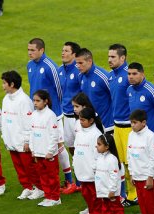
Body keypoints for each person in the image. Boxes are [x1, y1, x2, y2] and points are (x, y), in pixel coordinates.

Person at [27, 38, 73, 192]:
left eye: (33, 50)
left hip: (54, 114)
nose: (30, 53)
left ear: (41, 50)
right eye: (28, 50)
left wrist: (55, 109)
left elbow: (59, 89)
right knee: (42, 145)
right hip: (38, 113)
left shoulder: (50, 66)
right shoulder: (29, 66)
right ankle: (48, 179)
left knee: (58, 146)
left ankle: (69, 180)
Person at [0, 70, 41, 200]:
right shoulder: (6, 99)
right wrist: (5, 137)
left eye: (4, 83)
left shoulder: (24, 101)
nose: (2, 85)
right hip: (11, 140)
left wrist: (27, 140)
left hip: (23, 142)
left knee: (29, 167)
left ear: (11, 84)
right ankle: (27, 187)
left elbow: (29, 123)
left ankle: (39, 188)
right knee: (19, 167)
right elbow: (4, 120)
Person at [107, 43, 136, 207]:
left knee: (131, 162)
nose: (109, 59)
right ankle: (131, 194)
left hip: (128, 126)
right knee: (123, 161)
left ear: (123, 58)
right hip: (117, 125)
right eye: (109, 56)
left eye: (113, 57)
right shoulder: (111, 76)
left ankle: (136, 194)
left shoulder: (128, 76)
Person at [127, 109, 154, 214]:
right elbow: (129, 155)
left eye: (135, 123)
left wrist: (150, 177)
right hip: (136, 175)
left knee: (150, 204)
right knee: (142, 205)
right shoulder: (131, 135)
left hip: (148, 177)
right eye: (131, 123)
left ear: (143, 123)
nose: (132, 125)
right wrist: (131, 173)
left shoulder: (151, 136)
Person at [73, 107, 104, 214]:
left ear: (91, 120)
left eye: (83, 120)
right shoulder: (80, 132)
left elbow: (97, 155)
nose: (80, 122)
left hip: (91, 173)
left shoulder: (96, 135)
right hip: (82, 170)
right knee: (86, 195)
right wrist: (75, 163)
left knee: (95, 197)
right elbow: (77, 149)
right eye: (80, 119)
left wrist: (95, 169)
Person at [29, 90, 61, 207]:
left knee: (52, 176)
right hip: (38, 152)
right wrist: (33, 149)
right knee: (43, 176)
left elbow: (54, 135)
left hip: (48, 153)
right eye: (34, 101)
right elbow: (32, 133)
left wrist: (50, 152)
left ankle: (55, 197)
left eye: (38, 101)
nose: (35, 103)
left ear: (45, 101)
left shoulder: (50, 115)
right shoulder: (33, 115)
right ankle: (48, 196)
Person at [58, 41, 81, 194]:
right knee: (72, 148)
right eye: (62, 50)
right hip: (66, 115)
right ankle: (76, 181)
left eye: (66, 51)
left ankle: (83, 180)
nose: (63, 53)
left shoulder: (79, 71)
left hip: (78, 117)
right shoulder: (60, 71)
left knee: (82, 149)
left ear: (74, 55)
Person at [95, 133, 126, 214]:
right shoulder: (99, 157)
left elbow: (114, 176)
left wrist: (112, 190)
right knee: (106, 210)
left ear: (107, 146)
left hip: (111, 191)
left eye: (99, 144)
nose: (97, 146)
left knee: (116, 209)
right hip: (103, 190)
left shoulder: (112, 159)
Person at [76, 48, 114, 133]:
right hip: (92, 124)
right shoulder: (80, 76)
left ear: (89, 61)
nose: (78, 66)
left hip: (107, 124)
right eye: (77, 63)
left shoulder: (102, 76)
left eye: (81, 63)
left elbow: (114, 97)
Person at [127, 62, 154, 136]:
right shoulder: (129, 90)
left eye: (134, 74)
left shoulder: (151, 91)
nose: (131, 77)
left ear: (142, 74)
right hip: (136, 134)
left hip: (152, 135)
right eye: (129, 74)